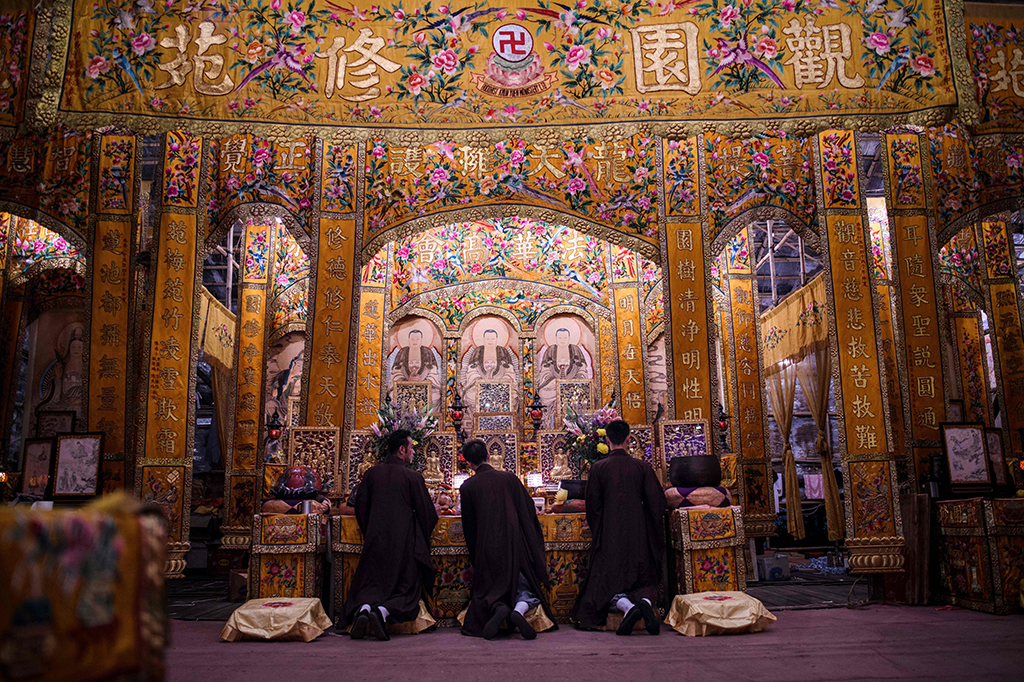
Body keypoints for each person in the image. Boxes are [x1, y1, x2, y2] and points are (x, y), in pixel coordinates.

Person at [572, 419, 667, 635]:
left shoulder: (598, 468)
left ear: (607, 440)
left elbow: (593, 507)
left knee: (605, 582)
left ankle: (627, 607)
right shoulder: (641, 467)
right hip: (638, 533)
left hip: (610, 535)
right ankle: (644, 602)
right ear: (628, 439)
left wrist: (600, 531)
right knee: (644, 578)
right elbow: (656, 503)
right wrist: (647, 527)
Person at [342, 429, 439, 641]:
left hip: (375, 540)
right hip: (403, 543)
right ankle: (382, 612)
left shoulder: (371, 474)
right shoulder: (412, 476)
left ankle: (364, 610)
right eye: (411, 448)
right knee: (406, 589)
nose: (413, 452)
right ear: (402, 450)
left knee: (371, 583)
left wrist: (371, 530)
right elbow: (427, 514)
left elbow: (361, 507)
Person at [459, 439, 555, 640]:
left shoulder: (468, 487)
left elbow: (469, 526)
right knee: (522, 584)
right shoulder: (509, 478)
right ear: (488, 456)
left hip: (486, 547)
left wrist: (477, 553)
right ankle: (519, 610)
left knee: (488, 587)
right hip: (514, 544)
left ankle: (498, 608)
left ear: (468, 463)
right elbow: (528, 511)